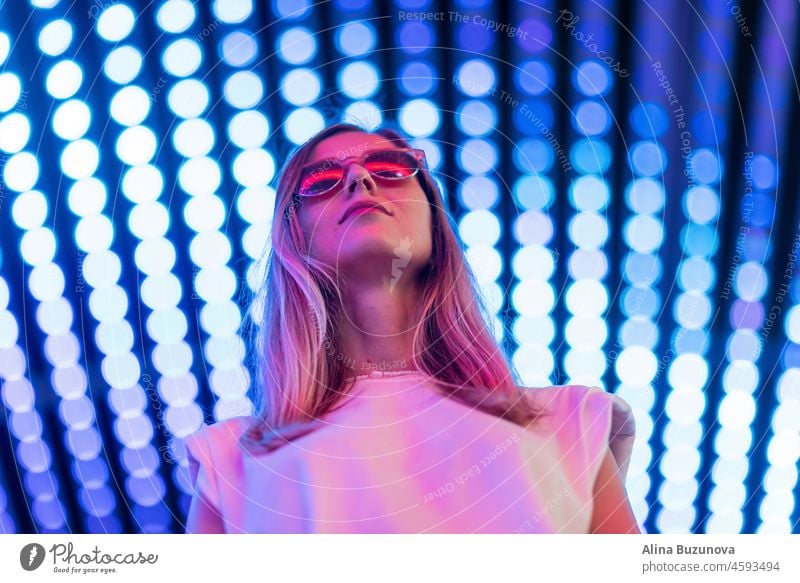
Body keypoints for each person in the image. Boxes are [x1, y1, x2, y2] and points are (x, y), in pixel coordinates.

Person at [183, 122, 640, 534]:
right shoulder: (233, 463)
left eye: (390, 167)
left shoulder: (568, 424)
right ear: (294, 239)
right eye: (321, 180)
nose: (359, 180)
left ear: (434, 221)